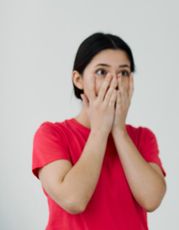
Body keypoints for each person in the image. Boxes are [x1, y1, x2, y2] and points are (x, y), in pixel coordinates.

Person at [32, 33, 166, 230]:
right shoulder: (52, 134)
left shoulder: (142, 137)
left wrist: (119, 131)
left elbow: (152, 199)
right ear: (78, 80)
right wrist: (100, 130)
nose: (114, 82)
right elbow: (73, 200)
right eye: (102, 72)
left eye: (124, 73)